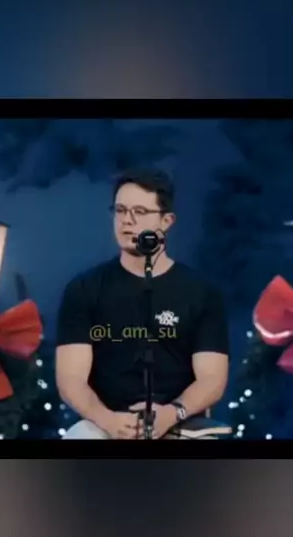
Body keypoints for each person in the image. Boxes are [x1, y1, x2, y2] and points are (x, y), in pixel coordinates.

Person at [55, 168, 230, 439]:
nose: (127, 220)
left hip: (179, 421)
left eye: (140, 211)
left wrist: (171, 413)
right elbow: (71, 378)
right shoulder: (84, 289)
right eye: (121, 210)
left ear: (166, 221)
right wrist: (108, 420)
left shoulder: (201, 292)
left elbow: (212, 379)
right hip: (106, 421)